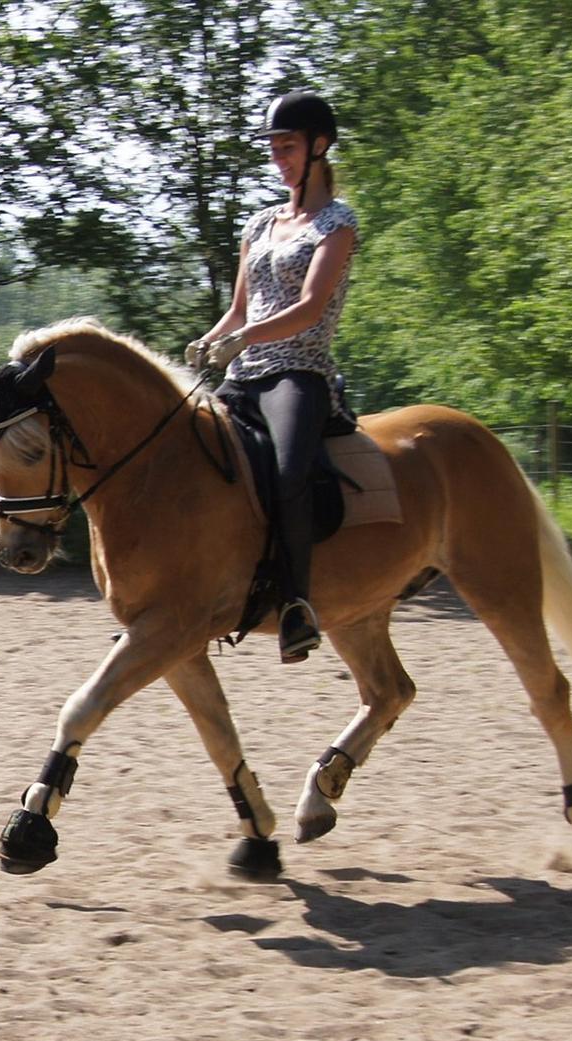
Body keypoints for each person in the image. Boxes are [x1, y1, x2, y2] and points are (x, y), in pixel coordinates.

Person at [186, 90, 359, 664]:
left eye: (287, 147)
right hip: (242, 372)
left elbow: (311, 307)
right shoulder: (260, 224)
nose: (278, 158)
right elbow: (240, 309)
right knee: (186, 456)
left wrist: (244, 338)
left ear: (318, 146)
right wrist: (213, 339)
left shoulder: (337, 224)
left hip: (297, 374)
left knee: (287, 474)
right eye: (274, 149)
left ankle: (296, 605)